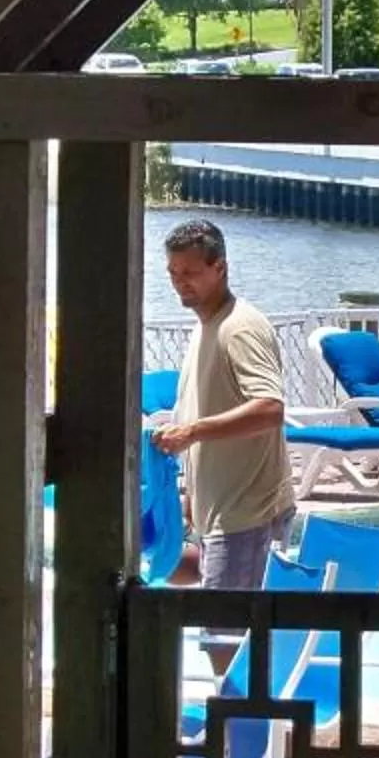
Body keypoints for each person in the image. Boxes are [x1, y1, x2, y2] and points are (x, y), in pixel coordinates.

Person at [152, 217, 292, 590]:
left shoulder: (240, 328)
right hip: (214, 511)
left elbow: (270, 408)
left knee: (224, 637)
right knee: (159, 571)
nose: (180, 282)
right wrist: (188, 500)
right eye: (173, 272)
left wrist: (192, 432)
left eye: (191, 272)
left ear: (220, 267)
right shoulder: (205, 326)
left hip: (244, 515)